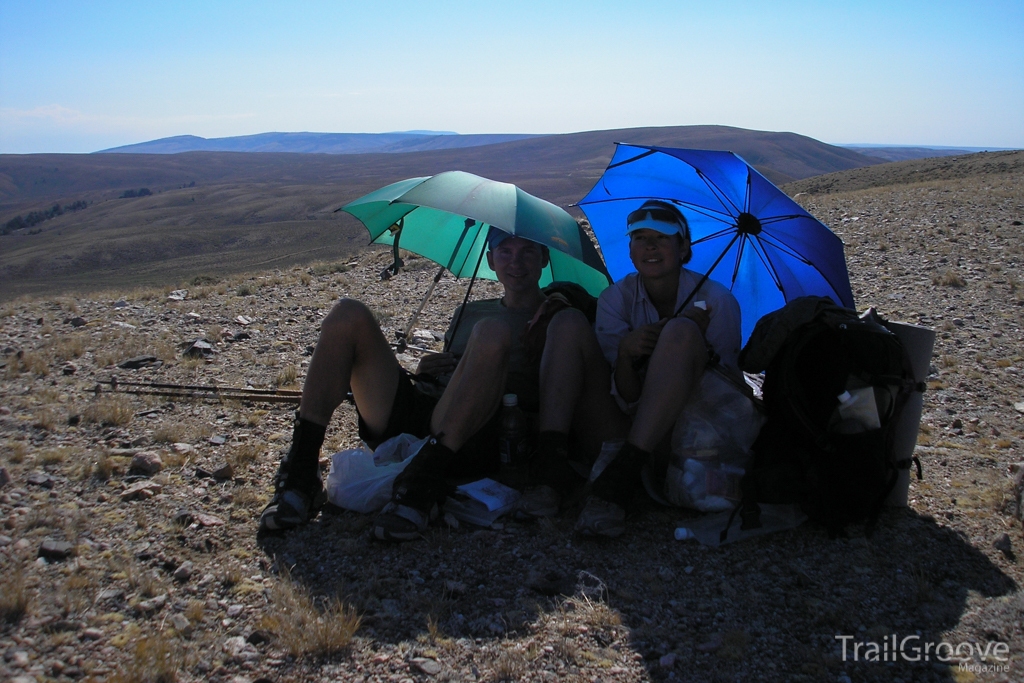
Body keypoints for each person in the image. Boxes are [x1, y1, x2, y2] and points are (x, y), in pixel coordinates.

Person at [259, 229, 570, 541]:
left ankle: (424, 482)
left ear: (544, 258)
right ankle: (301, 471)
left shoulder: (559, 317)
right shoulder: (468, 311)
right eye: (505, 251)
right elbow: (452, 372)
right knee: (347, 313)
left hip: (480, 430)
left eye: (528, 251)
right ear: (490, 259)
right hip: (432, 406)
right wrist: (426, 370)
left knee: (491, 332)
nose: (516, 262)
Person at [526, 200, 742, 536]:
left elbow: (722, 399)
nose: (650, 246)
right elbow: (625, 397)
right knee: (567, 321)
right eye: (640, 238)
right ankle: (551, 468)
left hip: (685, 441)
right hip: (619, 428)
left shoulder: (718, 302)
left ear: (684, 248)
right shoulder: (616, 298)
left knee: (682, 333)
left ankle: (622, 479)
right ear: (630, 249)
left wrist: (682, 344)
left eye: (663, 237)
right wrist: (626, 355)